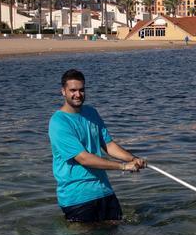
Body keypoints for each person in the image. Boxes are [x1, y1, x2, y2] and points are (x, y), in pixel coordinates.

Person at [49, 69, 147, 222]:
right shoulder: (59, 122)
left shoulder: (91, 112)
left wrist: (133, 159)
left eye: (81, 90)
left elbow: (108, 145)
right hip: (78, 198)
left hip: (104, 191)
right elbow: (83, 158)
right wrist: (123, 166)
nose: (78, 94)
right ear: (63, 91)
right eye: (73, 90)